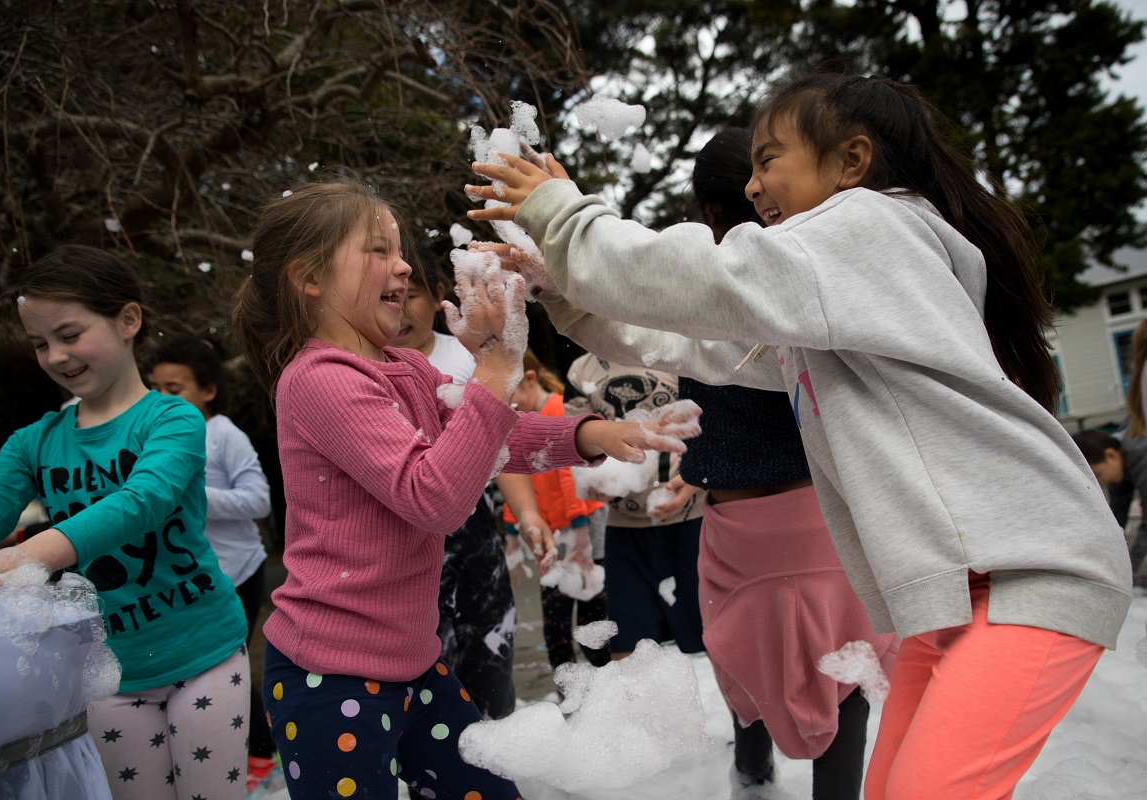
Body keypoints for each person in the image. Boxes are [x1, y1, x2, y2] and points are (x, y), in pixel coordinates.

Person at [466, 72, 1133, 798]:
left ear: (851, 161)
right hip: (957, 591)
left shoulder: (876, 226)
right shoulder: (832, 306)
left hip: (1033, 570)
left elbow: (708, 280)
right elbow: (696, 340)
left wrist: (564, 217)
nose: (753, 186)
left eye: (770, 158)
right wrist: (566, 285)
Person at [229, 178, 700, 800]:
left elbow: (490, 438)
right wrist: (497, 370)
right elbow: (435, 496)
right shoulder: (318, 380)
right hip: (329, 676)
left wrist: (596, 434)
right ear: (309, 278)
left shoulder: (404, 369)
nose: (402, 266)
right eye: (378, 251)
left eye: (399, 250)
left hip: (415, 663)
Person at [0, 244, 250, 800]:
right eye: (40, 344)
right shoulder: (31, 443)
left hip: (203, 654)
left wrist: (31, 555)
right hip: (105, 673)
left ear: (128, 320)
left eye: (69, 334)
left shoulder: (173, 417)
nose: (56, 356)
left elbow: (145, 499)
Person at [678, 127, 896, 799]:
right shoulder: (817, 281)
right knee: (849, 671)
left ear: (708, 215)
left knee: (747, 681)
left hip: (741, 532)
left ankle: (752, 786)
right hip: (825, 519)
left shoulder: (695, 291)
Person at [392, 247, 549, 720]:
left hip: (473, 527)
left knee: (490, 643)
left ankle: (497, 745)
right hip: (406, 533)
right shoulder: (367, 367)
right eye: (387, 296)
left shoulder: (468, 355)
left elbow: (503, 446)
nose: (400, 310)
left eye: (412, 295)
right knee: (430, 665)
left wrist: (527, 513)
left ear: (440, 295)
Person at [146, 335, 279, 792]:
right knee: (200, 668)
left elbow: (259, 500)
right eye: (155, 388)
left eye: (175, 388)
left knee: (224, 663)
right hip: (189, 578)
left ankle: (262, 753)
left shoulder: (224, 434)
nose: (162, 399)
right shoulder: (149, 437)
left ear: (208, 391)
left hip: (237, 570)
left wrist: (191, 494)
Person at [563, 354, 706, 663]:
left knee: (718, 646)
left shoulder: (673, 346)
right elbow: (574, 439)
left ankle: (747, 715)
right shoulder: (581, 368)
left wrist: (697, 479)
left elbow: (714, 421)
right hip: (625, 528)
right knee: (627, 656)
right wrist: (594, 481)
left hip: (693, 519)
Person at [502, 349, 610, 673]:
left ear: (530, 379)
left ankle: (606, 689)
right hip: (554, 533)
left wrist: (580, 534)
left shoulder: (559, 409)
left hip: (582, 530)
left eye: (510, 395)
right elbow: (511, 472)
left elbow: (570, 476)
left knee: (593, 619)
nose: (507, 405)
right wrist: (511, 532)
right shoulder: (519, 421)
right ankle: (572, 697)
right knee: (557, 627)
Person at [1073, 429, 1147, 583]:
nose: (1101, 483)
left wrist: (1128, 572)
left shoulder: (1142, 455)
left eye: (1098, 474)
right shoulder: (1118, 465)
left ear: (1111, 455)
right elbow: (1117, 515)